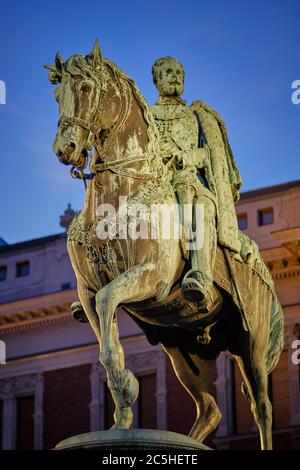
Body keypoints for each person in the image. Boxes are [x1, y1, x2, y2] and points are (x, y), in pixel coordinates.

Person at [151, 57, 243, 310]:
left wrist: (188, 156)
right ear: (156, 79)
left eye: (180, 72)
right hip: (156, 184)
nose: (175, 76)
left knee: (203, 208)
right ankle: (99, 277)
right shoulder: (146, 116)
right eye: (168, 72)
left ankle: (201, 276)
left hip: (193, 182)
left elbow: (209, 153)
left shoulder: (195, 114)